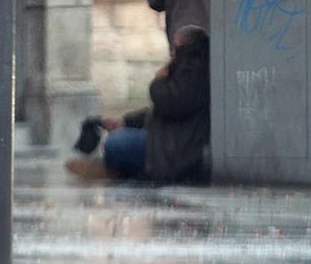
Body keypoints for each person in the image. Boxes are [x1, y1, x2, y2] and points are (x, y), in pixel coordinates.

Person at [66, 25, 210, 183]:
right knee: (118, 138)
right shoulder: (188, 69)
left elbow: (167, 103)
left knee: (116, 143)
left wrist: (159, 80)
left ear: (185, 48)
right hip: (166, 141)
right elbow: (157, 112)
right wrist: (126, 121)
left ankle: (118, 170)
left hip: (177, 150)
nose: (172, 55)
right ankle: (118, 169)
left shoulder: (193, 71)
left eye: (175, 49)